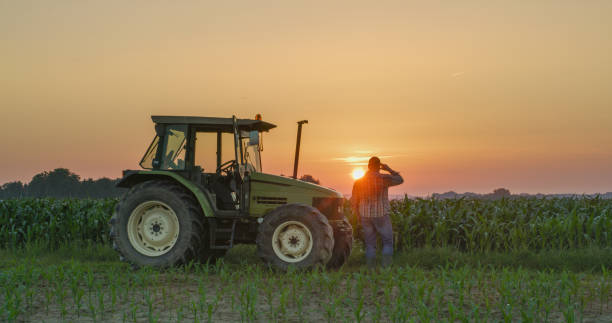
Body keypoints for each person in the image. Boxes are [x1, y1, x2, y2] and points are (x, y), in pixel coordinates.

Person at [351, 157, 403, 268]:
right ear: (379, 166)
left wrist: (359, 216)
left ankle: (370, 269)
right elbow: (400, 179)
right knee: (388, 242)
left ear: (369, 166)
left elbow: (354, 202)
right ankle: (386, 268)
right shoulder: (384, 178)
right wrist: (388, 169)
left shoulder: (359, 182)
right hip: (381, 215)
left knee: (370, 244)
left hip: (365, 215)